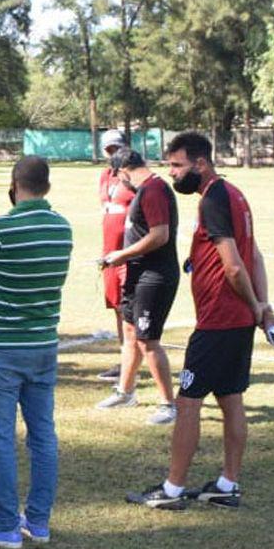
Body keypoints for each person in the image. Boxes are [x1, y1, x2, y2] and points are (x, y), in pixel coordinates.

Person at [128, 132, 274, 510]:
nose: (172, 173)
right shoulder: (235, 195)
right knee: (231, 399)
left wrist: (254, 304)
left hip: (219, 320)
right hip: (238, 319)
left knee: (188, 403)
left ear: (200, 164)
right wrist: (261, 306)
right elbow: (256, 256)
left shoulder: (214, 199)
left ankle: (172, 489)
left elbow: (234, 265)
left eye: (177, 165)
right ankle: (227, 484)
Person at [0, 156, 73, 549]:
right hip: (43, 345)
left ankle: (6, 524)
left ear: (14, 184)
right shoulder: (63, 229)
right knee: (43, 436)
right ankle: (37, 522)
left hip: (2, 348)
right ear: (47, 186)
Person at [96, 149, 179, 425]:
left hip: (154, 276)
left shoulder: (154, 189)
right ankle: (125, 392)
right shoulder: (144, 190)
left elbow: (160, 235)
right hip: (137, 272)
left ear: (123, 171)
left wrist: (122, 254)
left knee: (148, 340)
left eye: (118, 179)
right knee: (131, 332)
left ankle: (168, 404)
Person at [95, 129, 134, 383]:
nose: (113, 154)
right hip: (110, 253)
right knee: (117, 309)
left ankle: (130, 363)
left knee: (128, 309)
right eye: (108, 149)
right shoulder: (105, 176)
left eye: (116, 148)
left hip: (128, 254)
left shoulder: (134, 177)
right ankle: (124, 359)